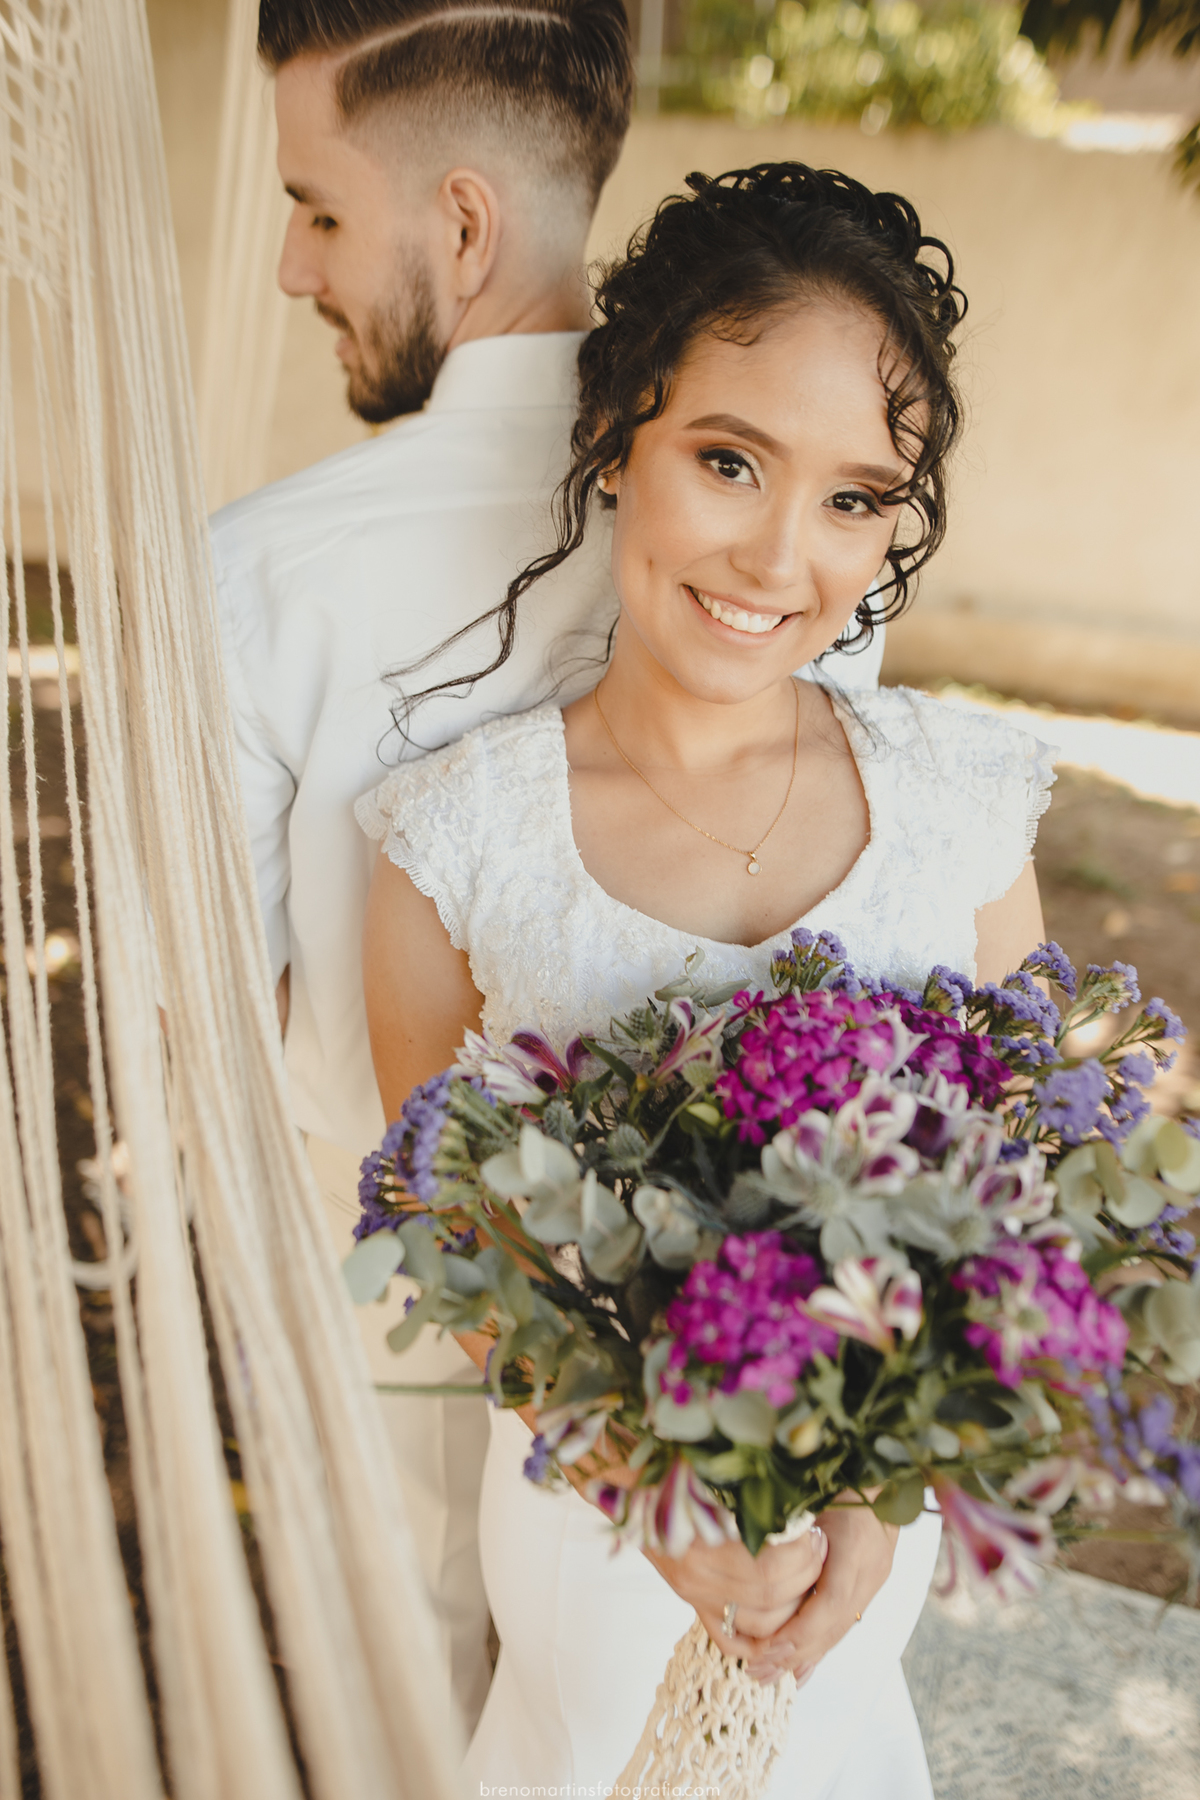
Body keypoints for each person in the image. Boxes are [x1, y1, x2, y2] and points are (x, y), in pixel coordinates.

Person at [213, 0, 886, 1738]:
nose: (294, 267)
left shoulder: (258, 575)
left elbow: (209, 1018)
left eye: (318, 208)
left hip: (391, 1335)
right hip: (748, 1359)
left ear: (458, 224)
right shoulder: (807, 545)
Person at [357, 163, 1053, 1796]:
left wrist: (887, 1503)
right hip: (593, 1545)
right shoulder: (456, 838)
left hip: (849, 1565)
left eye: (855, 498)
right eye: (729, 461)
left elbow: (1016, 1203)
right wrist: (658, 1499)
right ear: (618, 439)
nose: (780, 556)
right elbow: (461, 1240)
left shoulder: (961, 810)